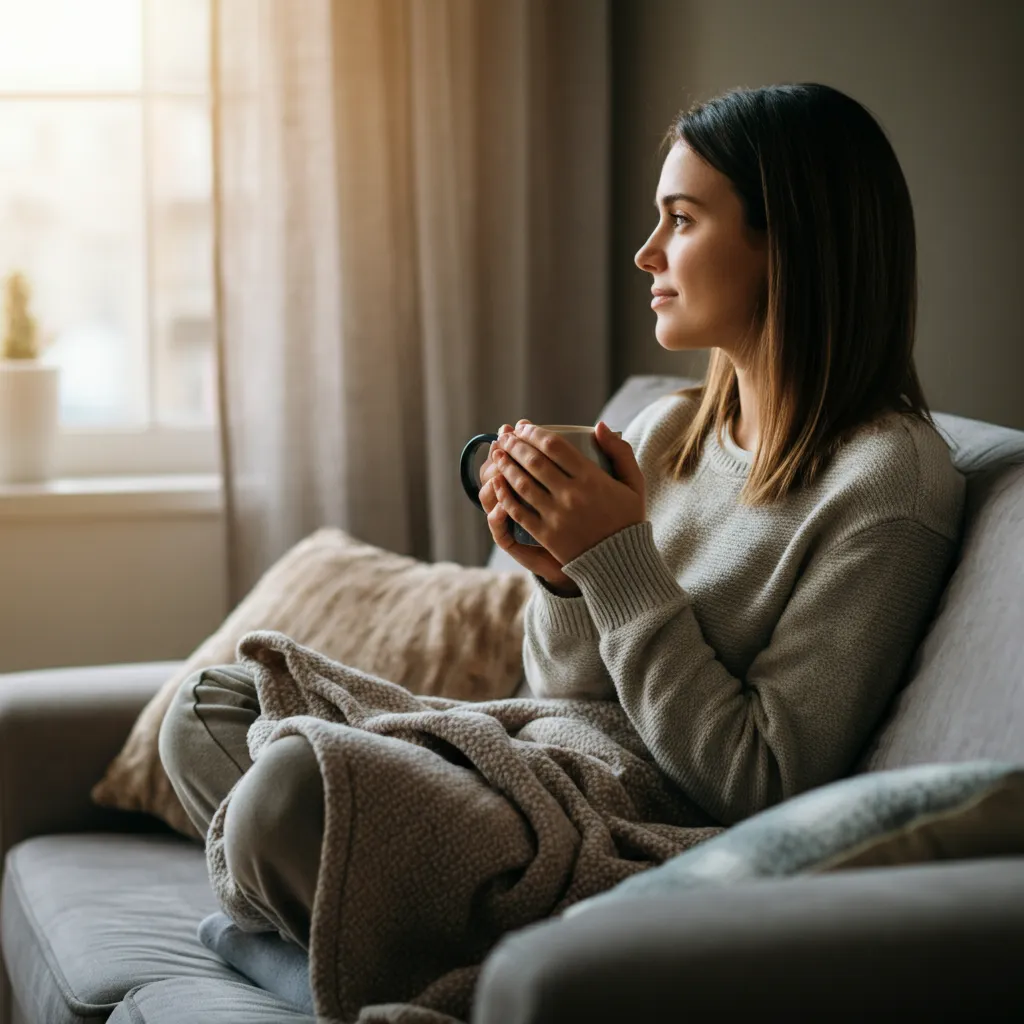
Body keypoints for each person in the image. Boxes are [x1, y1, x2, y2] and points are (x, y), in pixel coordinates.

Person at [159, 83, 965, 954]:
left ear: (790, 246)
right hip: (545, 768)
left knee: (286, 795)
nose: (646, 253)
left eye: (682, 220)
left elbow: (759, 784)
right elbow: (561, 696)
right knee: (211, 706)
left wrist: (616, 561)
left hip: (631, 837)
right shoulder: (669, 431)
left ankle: (330, 924)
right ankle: (355, 919)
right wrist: (560, 574)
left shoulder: (888, 485)